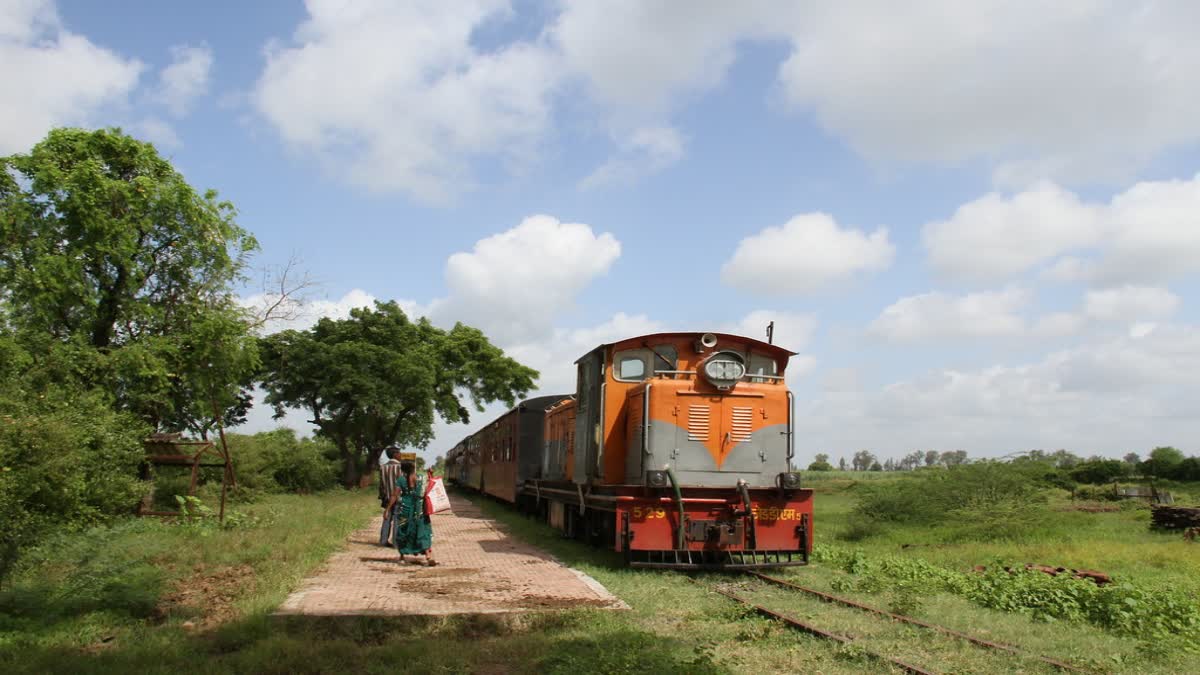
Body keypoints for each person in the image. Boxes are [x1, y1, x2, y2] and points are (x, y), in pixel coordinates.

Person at [385, 459, 436, 566]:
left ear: (403, 469)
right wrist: (430, 474)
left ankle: (402, 556)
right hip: (420, 509)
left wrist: (387, 509)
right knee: (423, 530)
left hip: (405, 508)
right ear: (414, 468)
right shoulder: (421, 478)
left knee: (404, 531)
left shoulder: (401, 480)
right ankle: (428, 556)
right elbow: (431, 485)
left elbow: (394, 495)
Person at [378, 446, 404, 546]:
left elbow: (381, 485)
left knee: (386, 519)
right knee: (397, 519)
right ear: (395, 455)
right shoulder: (401, 467)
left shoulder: (383, 467)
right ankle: (396, 543)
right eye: (399, 453)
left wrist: (382, 497)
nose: (401, 455)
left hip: (387, 498)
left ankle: (383, 541)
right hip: (399, 498)